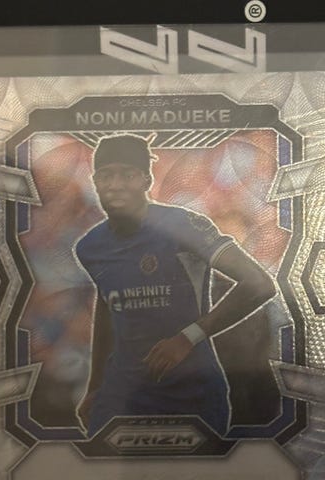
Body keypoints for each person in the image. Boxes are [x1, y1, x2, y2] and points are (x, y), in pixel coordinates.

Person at [75, 134, 276, 437]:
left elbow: (259, 284)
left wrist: (188, 337)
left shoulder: (182, 226)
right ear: (95, 182)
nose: (115, 184)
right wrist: (95, 386)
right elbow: (108, 309)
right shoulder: (90, 246)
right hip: (120, 396)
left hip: (191, 393)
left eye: (127, 174)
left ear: (146, 179)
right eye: (106, 175)